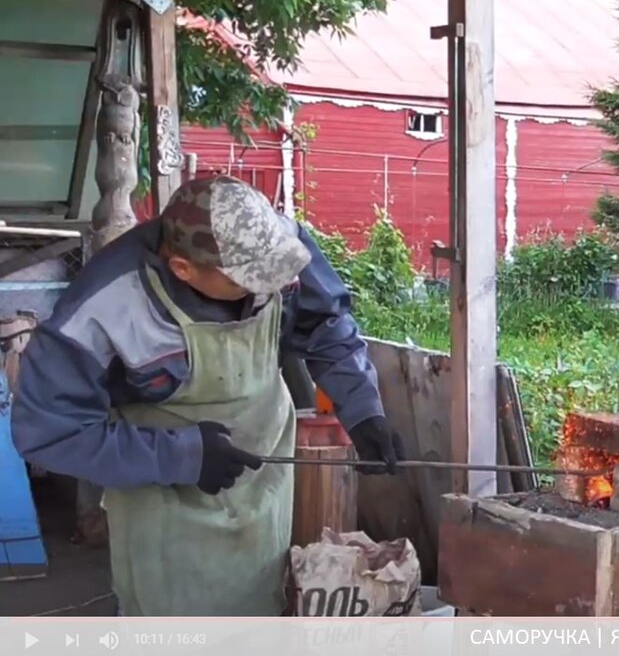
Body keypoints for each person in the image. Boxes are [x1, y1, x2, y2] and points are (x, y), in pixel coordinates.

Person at [12, 175, 404, 616]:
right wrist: (181, 457)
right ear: (182, 268)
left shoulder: (272, 245)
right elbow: (49, 433)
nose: (266, 288)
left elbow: (326, 325)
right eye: (247, 281)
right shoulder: (100, 311)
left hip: (262, 479)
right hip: (162, 501)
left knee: (260, 605)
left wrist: (363, 409)